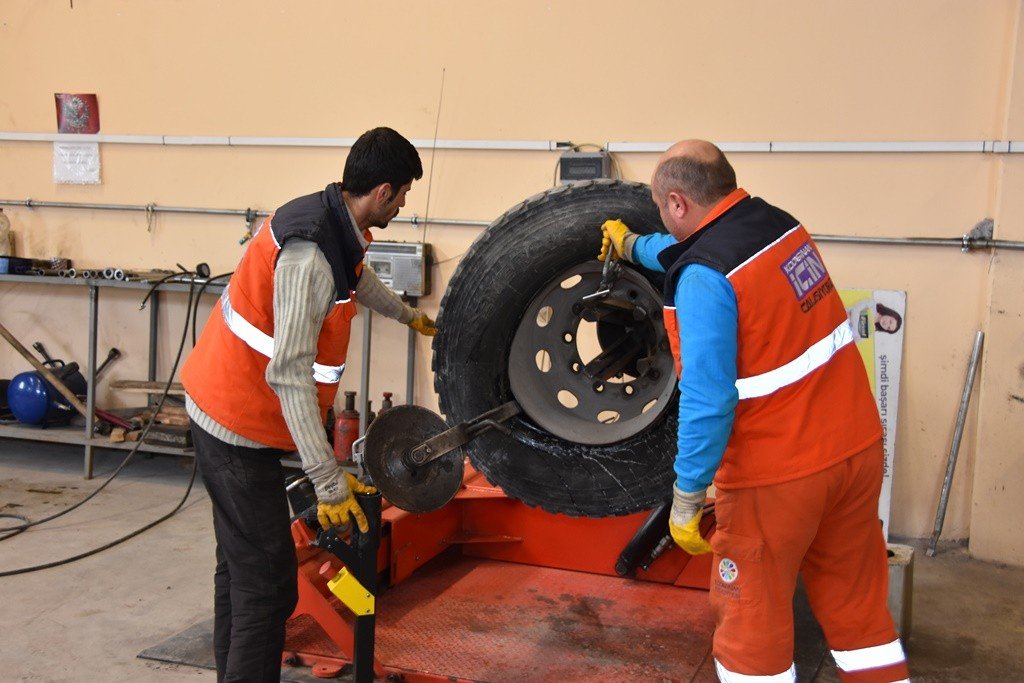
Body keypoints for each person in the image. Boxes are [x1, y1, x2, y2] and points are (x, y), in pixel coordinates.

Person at [598, 140, 909, 682]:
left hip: (778, 477)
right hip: (855, 450)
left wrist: (687, 496)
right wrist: (633, 246)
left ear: (677, 202)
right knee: (857, 607)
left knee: (752, 626)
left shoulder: (703, 279)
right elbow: (695, 247)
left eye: (661, 208)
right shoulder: (777, 226)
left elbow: (709, 398)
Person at [181, 127, 437, 682]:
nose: (403, 206)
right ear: (383, 191)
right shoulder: (310, 258)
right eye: (403, 196)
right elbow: (290, 375)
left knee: (241, 567)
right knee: (268, 587)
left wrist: (407, 315)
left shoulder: (334, 223)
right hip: (233, 424)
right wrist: (327, 479)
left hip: (236, 411)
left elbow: (357, 280)